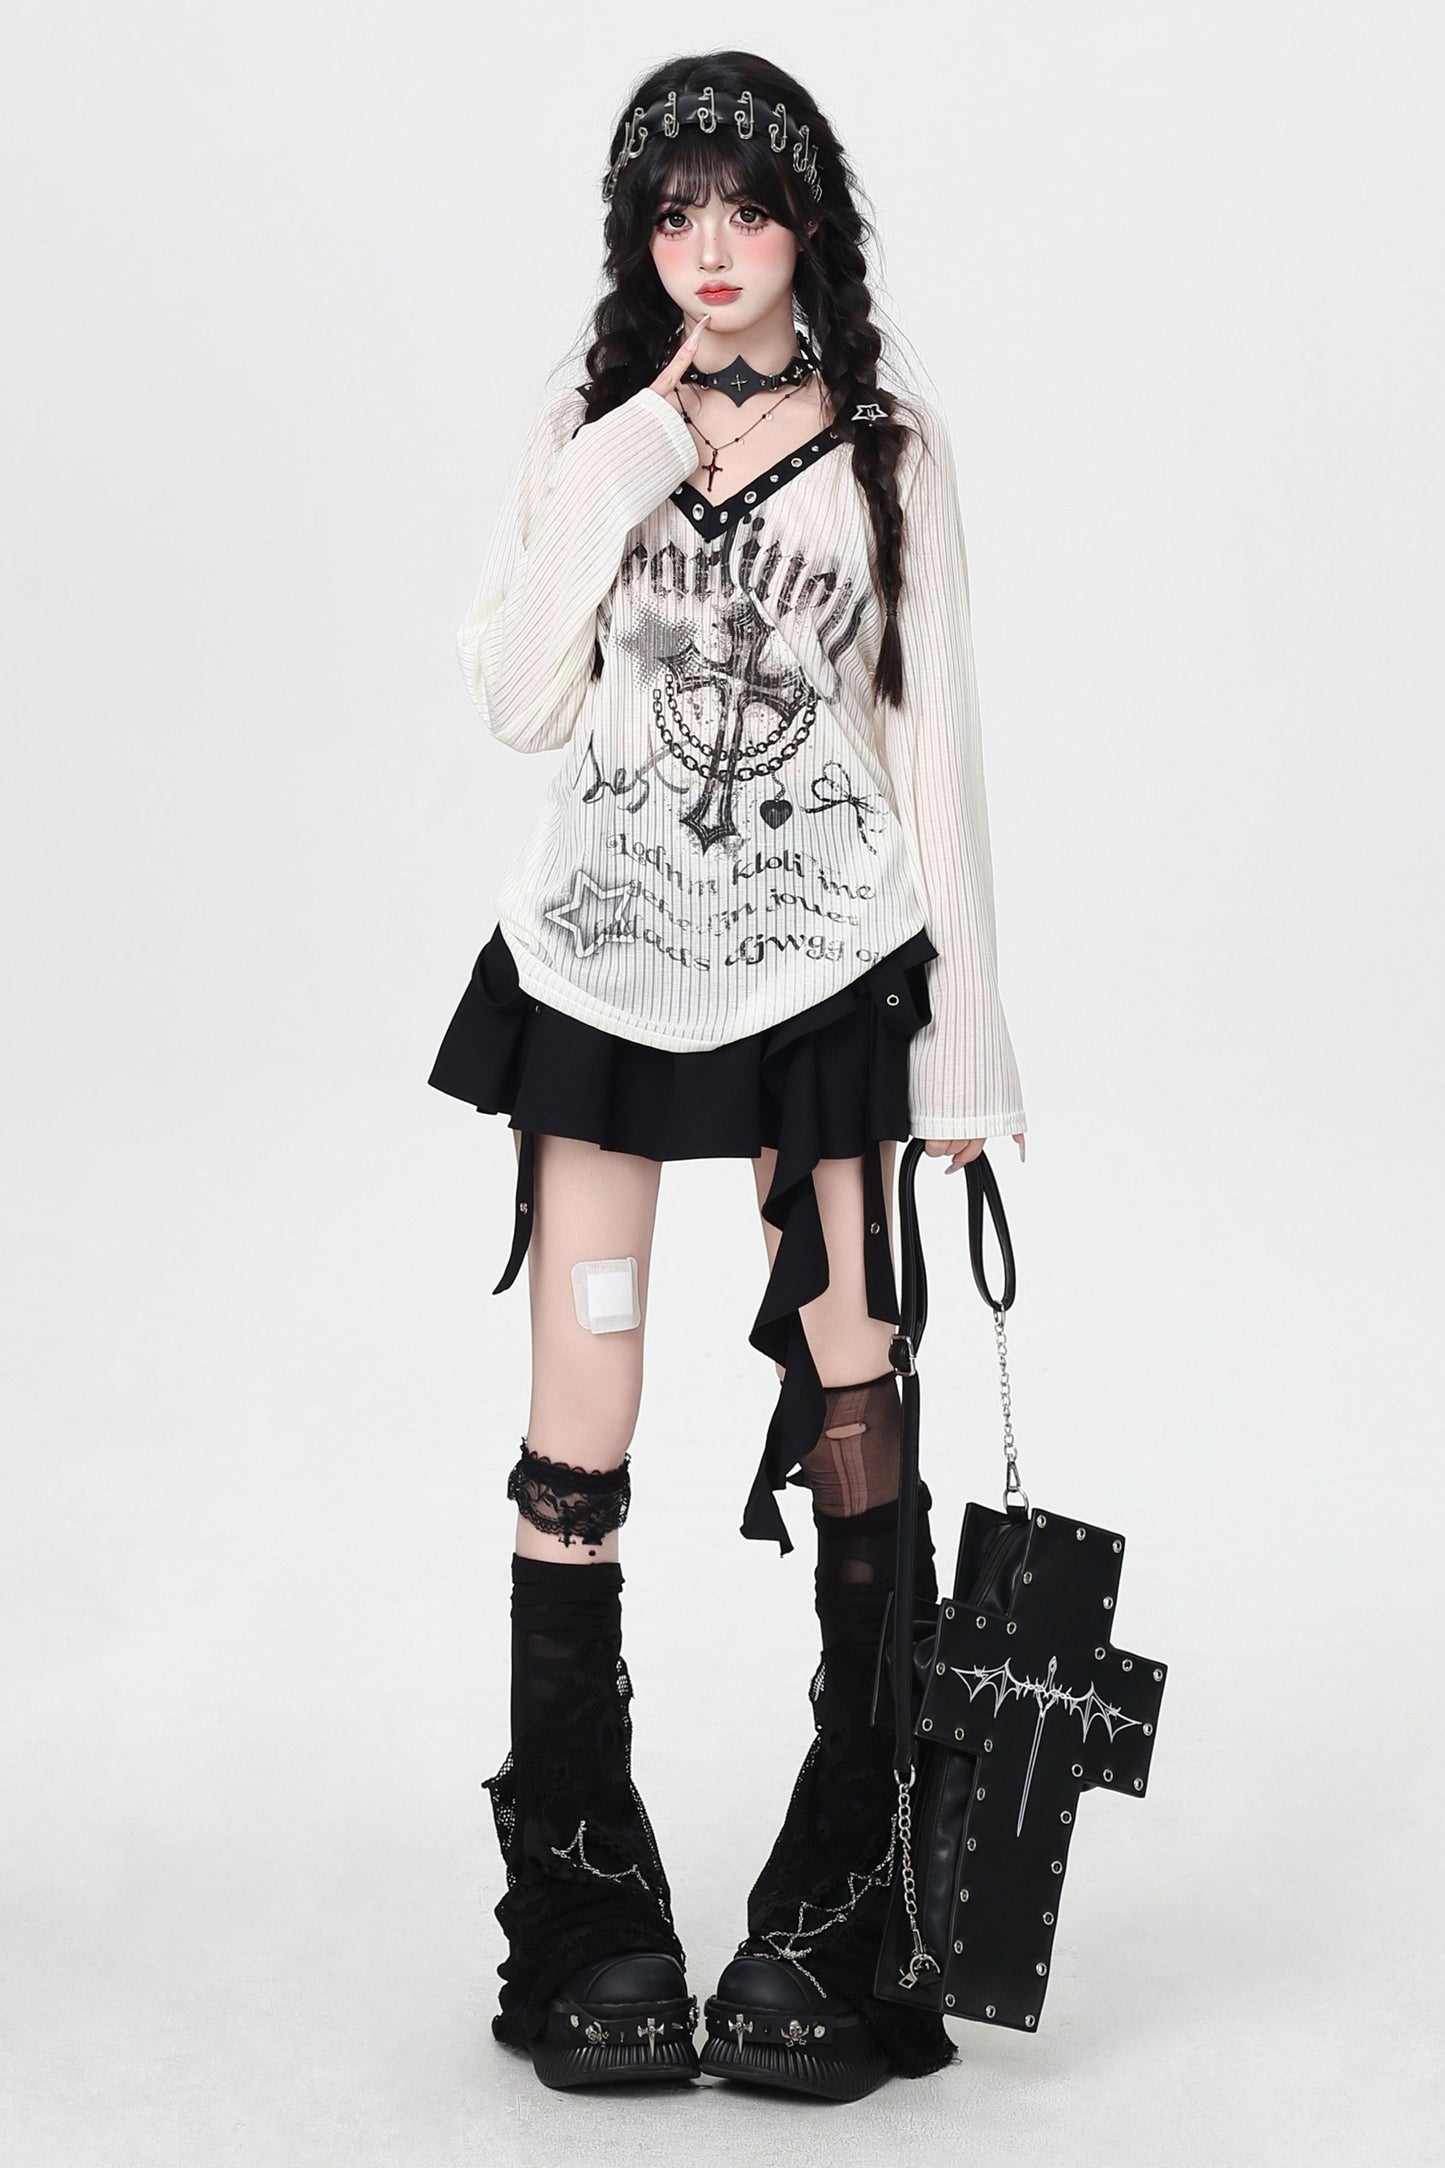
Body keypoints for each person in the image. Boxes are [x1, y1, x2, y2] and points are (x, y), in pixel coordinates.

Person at [428, 51, 1028, 2101]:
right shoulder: (583, 434)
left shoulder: (888, 452)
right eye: (672, 213)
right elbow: (518, 700)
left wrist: (969, 1053)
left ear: (804, 225)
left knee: (852, 1382)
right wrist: (615, 462)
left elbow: (934, 749)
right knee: (578, 1411)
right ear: (639, 234)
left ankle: (848, 1896)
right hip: (601, 966)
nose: (709, 248)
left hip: (827, 972)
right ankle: (582, 1897)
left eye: (743, 209)